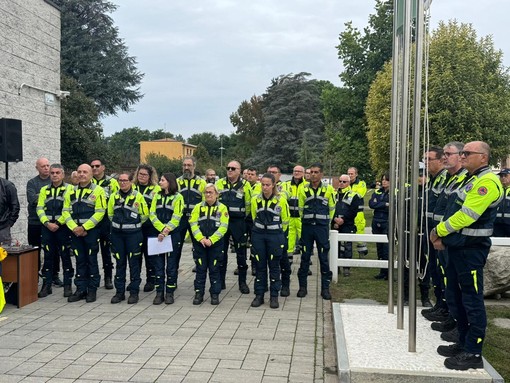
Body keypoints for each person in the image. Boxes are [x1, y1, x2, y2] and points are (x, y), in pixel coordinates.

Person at [431, 141, 503, 370]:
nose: (462, 156)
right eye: (461, 153)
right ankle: (462, 341)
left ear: (483, 157)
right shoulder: (471, 179)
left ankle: (473, 352)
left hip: (471, 250)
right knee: (455, 296)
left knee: (471, 301)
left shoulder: (487, 182)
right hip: (458, 247)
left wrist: (439, 231)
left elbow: (466, 216)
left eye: (467, 153)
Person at [423, 142, 468, 328]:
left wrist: (440, 233)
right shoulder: (443, 179)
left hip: (449, 235)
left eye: (429, 159)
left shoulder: (459, 178)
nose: (426, 163)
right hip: (435, 231)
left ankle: (453, 316)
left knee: (450, 277)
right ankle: (443, 306)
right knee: (437, 270)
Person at [63, 164, 106, 303]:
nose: (82, 174)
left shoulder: (98, 190)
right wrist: (74, 227)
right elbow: (65, 211)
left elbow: (100, 212)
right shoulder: (70, 191)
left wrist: (85, 227)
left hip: (90, 232)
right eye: (80, 172)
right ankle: (80, 289)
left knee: (91, 260)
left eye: (85, 172)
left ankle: (92, 290)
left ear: (91, 174)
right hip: (75, 232)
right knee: (79, 260)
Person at [250, 173, 290, 308]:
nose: (265, 187)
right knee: (260, 266)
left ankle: (274, 296)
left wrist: (278, 235)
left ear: (273, 185)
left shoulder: (281, 200)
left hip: (275, 236)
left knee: (274, 267)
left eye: (268, 185)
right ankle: (259, 295)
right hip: (259, 235)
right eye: (263, 185)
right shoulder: (255, 199)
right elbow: (254, 216)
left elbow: (285, 220)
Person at [108, 172, 149, 305]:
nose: (122, 183)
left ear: (131, 181)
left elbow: (144, 215)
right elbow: (110, 214)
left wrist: (133, 226)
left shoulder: (138, 196)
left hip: (133, 235)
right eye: (120, 180)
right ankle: (119, 292)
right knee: (120, 263)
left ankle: (134, 292)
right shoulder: (114, 196)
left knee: (134, 264)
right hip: (117, 235)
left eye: (125, 180)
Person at [297, 163, 335, 300]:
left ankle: (325, 289)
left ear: (321, 174)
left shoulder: (329, 189)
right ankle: (303, 287)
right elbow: (300, 208)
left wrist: (325, 222)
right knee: (305, 257)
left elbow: (332, 209)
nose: (313, 174)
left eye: (316, 172)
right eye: (311, 172)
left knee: (324, 259)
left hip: (321, 228)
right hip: (307, 228)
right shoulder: (303, 189)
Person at [36, 164, 74, 298]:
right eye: (52, 173)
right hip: (47, 228)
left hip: (62, 228)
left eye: (58, 172)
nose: (55, 175)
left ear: (63, 174)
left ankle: (68, 285)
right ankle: (46, 285)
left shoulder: (70, 189)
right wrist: (47, 223)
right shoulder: (44, 190)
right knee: (47, 256)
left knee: (65, 256)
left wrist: (58, 223)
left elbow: (69, 209)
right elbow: (39, 208)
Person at [189, 183, 229, 305]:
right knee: (200, 269)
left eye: (211, 192)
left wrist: (211, 240)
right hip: (200, 244)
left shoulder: (222, 208)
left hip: (215, 245)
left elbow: (223, 226)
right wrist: (200, 238)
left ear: (217, 194)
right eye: (206, 192)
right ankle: (198, 293)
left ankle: (215, 294)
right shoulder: (197, 207)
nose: (208, 194)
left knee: (214, 269)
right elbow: (193, 223)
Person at [216, 160, 252, 294]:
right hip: (222, 223)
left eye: (233, 168)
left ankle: (242, 283)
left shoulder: (246, 185)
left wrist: (243, 218)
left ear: (239, 171)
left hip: (239, 223)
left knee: (241, 253)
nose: (230, 170)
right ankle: (220, 281)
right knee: (221, 253)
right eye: (228, 167)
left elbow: (249, 204)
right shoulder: (219, 183)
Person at [149, 173, 184, 305]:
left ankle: (169, 292)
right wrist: (161, 229)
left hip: (172, 235)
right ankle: (159, 293)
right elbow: (152, 214)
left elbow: (177, 216)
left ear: (170, 182)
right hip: (158, 235)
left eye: (162, 180)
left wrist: (166, 230)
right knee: (158, 265)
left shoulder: (178, 197)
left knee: (171, 265)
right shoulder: (156, 195)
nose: (160, 182)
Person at [421, 146, 448, 308]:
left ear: (440, 161)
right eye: (424, 159)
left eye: (428, 159)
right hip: (429, 231)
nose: (425, 163)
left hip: (440, 233)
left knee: (441, 270)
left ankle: (444, 307)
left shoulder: (445, 179)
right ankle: (439, 305)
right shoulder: (433, 179)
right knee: (433, 269)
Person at [27, 157, 59, 284]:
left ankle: (54, 274)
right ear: (37, 168)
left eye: (47, 165)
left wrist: (41, 196)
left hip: (52, 222)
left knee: (54, 249)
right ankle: (34, 273)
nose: (46, 168)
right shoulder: (32, 183)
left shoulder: (54, 181)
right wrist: (47, 195)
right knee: (35, 249)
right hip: (35, 222)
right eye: (43, 166)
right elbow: (32, 200)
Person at [90, 158, 119, 290]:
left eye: (97, 166)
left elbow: (117, 200)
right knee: (92, 250)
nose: (95, 168)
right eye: (92, 166)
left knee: (107, 250)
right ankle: (93, 277)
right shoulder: (88, 182)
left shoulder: (112, 182)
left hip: (107, 221)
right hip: (92, 220)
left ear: (103, 167)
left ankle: (108, 277)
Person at [133, 164, 161, 292]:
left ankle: (151, 280)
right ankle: (135, 280)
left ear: (150, 176)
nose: (142, 177)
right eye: (140, 174)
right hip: (134, 227)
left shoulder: (156, 189)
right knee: (136, 254)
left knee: (150, 254)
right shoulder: (132, 187)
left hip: (150, 226)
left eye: (144, 175)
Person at [176, 156, 206, 272]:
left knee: (198, 245)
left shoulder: (202, 182)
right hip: (180, 219)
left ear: (194, 166)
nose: (186, 168)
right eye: (184, 165)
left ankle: (199, 267)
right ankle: (174, 269)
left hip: (195, 220)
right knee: (177, 246)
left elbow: (205, 202)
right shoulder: (177, 182)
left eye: (189, 165)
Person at [333, 174, 363, 277]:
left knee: (347, 247)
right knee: (334, 247)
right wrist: (334, 220)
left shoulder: (354, 195)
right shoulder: (333, 194)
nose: (341, 183)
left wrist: (343, 220)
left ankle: (346, 268)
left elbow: (353, 211)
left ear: (349, 183)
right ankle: (335, 267)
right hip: (335, 224)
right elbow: (330, 208)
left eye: (344, 182)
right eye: (340, 181)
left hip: (347, 224)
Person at [282, 165, 307, 264]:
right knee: (289, 238)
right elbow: (282, 196)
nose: (296, 173)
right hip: (290, 217)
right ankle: (289, 259)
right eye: (295, 171)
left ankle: (305, 261)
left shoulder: (307, 185)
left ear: (303, 173)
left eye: (299, 171)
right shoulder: (286, 184)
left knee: (304, 239)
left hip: (302, 218)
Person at [369, 172, 390, 280]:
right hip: (376, 221)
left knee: (387, 248)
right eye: (383, 179)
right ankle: (381, 271)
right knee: (379, 247)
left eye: (386, 179)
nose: (384, 181)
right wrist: (385, 204)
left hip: (387, 222)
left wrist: (379, 204)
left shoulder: (395, 192)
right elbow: (372, 204)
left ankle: (387, 272)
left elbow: (394, 204)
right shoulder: (377, 191)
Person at [347, 167, 368, 257]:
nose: (350, 175)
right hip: (347, 212)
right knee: (347, 234)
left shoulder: (361, 184)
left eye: (352, 174)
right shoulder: (345, 183)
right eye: (348, 173)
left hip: (358, 213)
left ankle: (362, 253)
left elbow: (359, 195)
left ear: (356, 174)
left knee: (359, 232)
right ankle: (347, 255)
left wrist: (348, 194)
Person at [0, 177, 20, 244]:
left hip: (2, 229)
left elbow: (15, 207)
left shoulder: (7, 185)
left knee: (4, 253)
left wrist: (8, 224)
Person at [494, 168, 510, 237]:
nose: (503, 178)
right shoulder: (496, 190)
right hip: (497, 224)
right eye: (501, 176)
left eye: (505, 176)